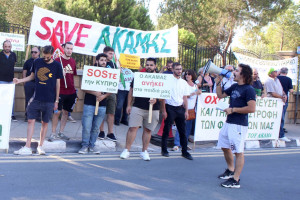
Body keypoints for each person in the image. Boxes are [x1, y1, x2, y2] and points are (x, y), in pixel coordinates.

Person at [13, 45, 63, 155]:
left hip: (50, 99)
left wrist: (56, 101)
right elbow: (32, 76)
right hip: (36, 98)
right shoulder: (37, 62)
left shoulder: (57, 65)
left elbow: (58, 83)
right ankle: (27, 146)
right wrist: (19, 80)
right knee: (30, 120)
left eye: (48, 57)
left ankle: (41, 146)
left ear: (52, 55)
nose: (45, 59)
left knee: (45, 123)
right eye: (44, 56)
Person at [215, 63, 256, 188]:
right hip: (229, 122)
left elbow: (252, 108)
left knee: (238, 152)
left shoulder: (249, 89)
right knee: (224, 146)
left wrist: (233, 110)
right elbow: (220, 95)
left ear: (243, 74)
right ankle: (230, 170)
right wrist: (218, 83)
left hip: (238, 124)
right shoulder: (234, 86)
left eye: (237, 71)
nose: (234, 72)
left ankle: (236, 179)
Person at [120, 58, 160, 161]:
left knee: (148, 130)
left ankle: (144, 151)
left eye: (151, 65)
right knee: (132, 128)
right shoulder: (138, 76)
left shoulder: (160, 78)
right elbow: (131, 91)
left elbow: (163, 94)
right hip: (138, 106)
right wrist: (129, 105)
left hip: (154, 109)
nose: (149, 67)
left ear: (155, 66)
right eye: (147, 65)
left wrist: (157, 100)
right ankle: (126, 150)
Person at [79, 53, 110, 154]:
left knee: (96, 128)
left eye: (105, 60)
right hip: (89, 104)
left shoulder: (109, 73)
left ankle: (92, 146)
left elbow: (112, 89)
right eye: (101, 60)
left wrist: (103, 96)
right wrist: (94, 93)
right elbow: (83, 87)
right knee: (87, 127)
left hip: (102, 105)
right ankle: (84, 146)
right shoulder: (89, 72)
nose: (103, 62)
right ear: (96, 61)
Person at [161, 62, 193, 160]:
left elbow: (185, 98)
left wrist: (186, 111)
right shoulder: (167, 80)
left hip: (180, 108)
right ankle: (164, 149)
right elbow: (162, 96)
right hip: (169, 107)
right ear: (173, 69)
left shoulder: (183, 82)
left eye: (180, 69)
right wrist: (164, 110)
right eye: (177, 69)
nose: (179, 71)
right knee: (166, 129)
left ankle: (184, 152)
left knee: (182, 131)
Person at [49, 42, 77, 142]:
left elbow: (73, 75)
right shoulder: (57, 61)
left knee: (66, 113)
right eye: (68, 48)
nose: (69, 50)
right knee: (57, 112)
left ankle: (61, 132)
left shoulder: (73, 61)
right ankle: (53, 133)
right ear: (63, 48)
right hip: (59, 91)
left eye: (71, 49)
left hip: (71, 91)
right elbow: (50, 76)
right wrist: (60, 74)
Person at [172, 69, 201, 151]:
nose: (187, 76)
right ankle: (177, 144)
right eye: (186, 74)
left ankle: (184, 143)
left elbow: (196, 94)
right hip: (183, 108)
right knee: (180, 126)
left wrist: (199, 92)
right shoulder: (184, 84)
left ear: (192, 76)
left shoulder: (195, 85)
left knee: (188, 128)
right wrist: (194, 93)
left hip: (192, 109)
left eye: (189, 74)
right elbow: (183, 96)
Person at [264, 68, 289, 141]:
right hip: (273, 103)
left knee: (281, 118)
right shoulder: (268, 81)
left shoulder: (277, 80)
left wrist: (284, 95)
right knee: (274, 119)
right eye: (275, 71)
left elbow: (281, 89)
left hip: (280, 102)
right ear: (270, 74)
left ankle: (280, 134)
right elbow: (272, 93)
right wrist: (281, 97)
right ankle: (278, 134)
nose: (276, 72)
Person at [98, 46, 117, 141]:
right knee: (101, 112)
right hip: (101, 91)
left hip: (111, 91)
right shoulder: (98, 63)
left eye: (112, 54)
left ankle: (110, 132)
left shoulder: (113, 64)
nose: (111, 55)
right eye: (110, 53)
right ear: (104, 53)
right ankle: (101, 131)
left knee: (111, 112)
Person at [0, 40, 17, 121]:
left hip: (11, 80)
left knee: (11, 99)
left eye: (9, 46)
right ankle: (2, 115)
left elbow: (14, 64)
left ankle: (11, 115)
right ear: (3, 47)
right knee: (1, 98)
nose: (7, 48)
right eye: (5, 46)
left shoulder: (14, 54)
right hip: (1, 80)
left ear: (11, 47)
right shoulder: (0, 55)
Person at [23, 46, 40, 122]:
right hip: (29, 83)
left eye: (35, 52)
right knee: (28, 100)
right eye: (32, 52)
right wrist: (25, 82)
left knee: (39, 100)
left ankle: (38, 116)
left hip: (39, 84)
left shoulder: (42, 61)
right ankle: (27, 116)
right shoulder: (28, 62)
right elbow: (24, 72)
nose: (33, 53)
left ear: (39, 53)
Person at [277, 67, 293, 141]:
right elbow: (291, 90)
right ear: (286, 73)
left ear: (280, 71)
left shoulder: (276, 78)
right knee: (282, 117)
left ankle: (276, 132)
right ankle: (281, 134)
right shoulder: (289, 79)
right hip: (284, 99)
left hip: (276, 99)